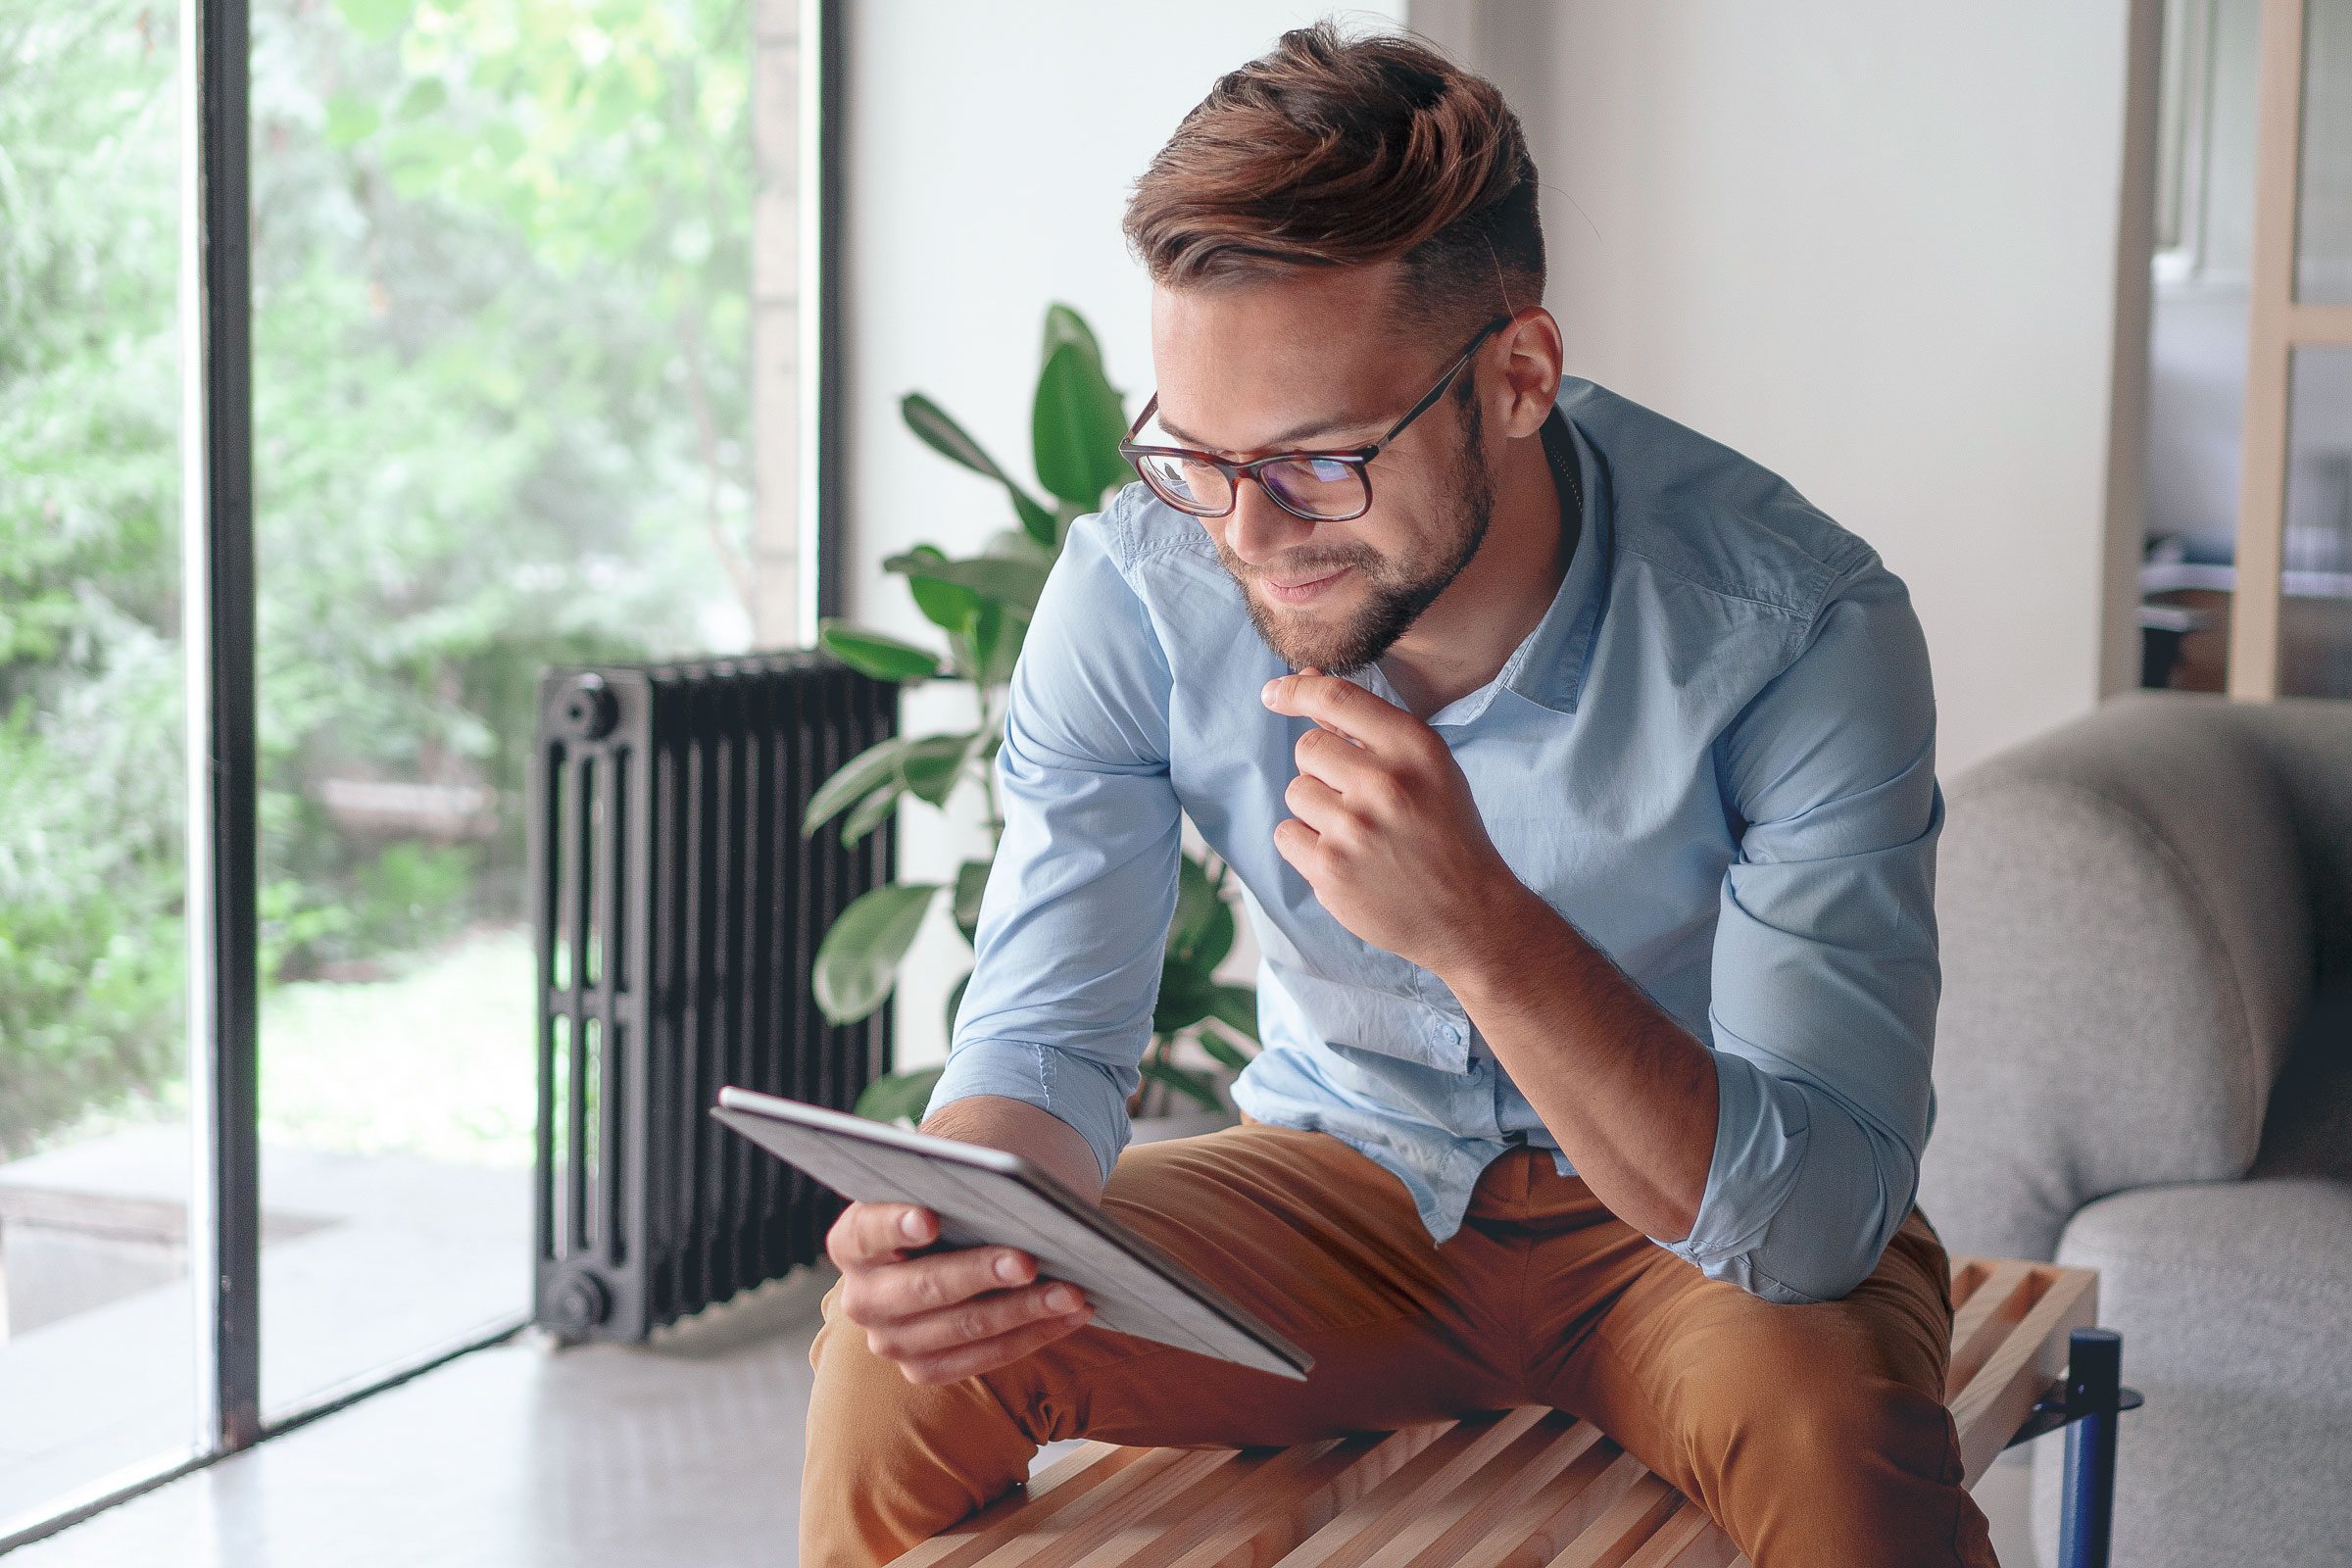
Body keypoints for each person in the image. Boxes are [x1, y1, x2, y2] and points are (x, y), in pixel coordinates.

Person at [802, 21, 1994, 1568]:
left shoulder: (1799, 631)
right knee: (895, 1368)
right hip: (1339, 1188)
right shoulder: (1138, 592)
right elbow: (1044, 1039)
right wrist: (964, 1227)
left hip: (1692, 1228)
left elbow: (1815, 1220)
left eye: (1318, 460)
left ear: (1517, 375)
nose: (1247, 528)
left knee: (1841, 1446)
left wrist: (1485, 932)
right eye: (1198, 457)